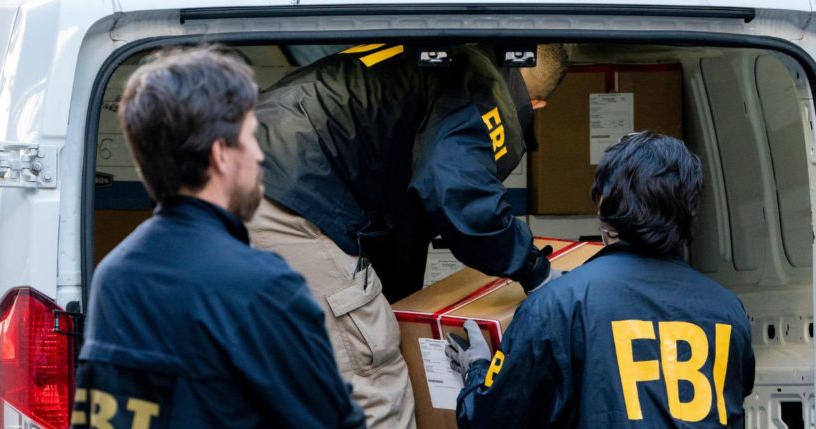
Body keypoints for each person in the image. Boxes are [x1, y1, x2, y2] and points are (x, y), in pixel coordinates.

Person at [247, 43, 568, 428]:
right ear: (536, 104)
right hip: (288, 193)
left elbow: (404, 216)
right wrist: (535, 271)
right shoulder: (484, 81)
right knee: (374, 373)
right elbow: (456, 191)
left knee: (277, 364)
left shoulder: (439, 57)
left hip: (227, 171)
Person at [71, 47, 365, 429]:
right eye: (251, 138)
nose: (260, 155)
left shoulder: (113, 277)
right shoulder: (265, 286)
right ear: (221, 155)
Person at [449, 131, 755, 428]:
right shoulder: (728, 310)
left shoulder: (557, 304)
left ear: (603, 201)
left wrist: (477, 369)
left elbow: (489, 419)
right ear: (690, 210)